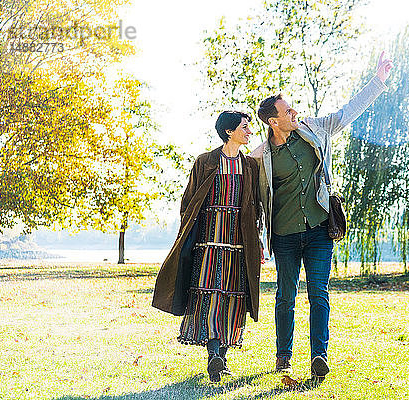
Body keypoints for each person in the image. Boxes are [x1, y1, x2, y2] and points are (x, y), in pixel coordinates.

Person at [250, 52, 393, 380]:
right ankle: (283, 358)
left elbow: (349, 111)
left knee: (319, 293)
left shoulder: (316, 129)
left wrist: (378, 81)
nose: (294, 111)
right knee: (286, 297)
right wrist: (259, 239)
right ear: (274, 121)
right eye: (288, 110)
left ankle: (319, 356)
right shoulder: (262, 157)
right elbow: (257, 203)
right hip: (284, 236)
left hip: (318, 229)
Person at [152, 111, 263, 383]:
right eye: (244, 127)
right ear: (229, 131)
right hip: (208, 243)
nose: (249, 132)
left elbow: (255, 208)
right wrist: (187, 238)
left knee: (233, 296)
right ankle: (214, 351)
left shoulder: (250, 165)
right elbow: (188, 201)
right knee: (210, 296)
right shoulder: (205, 161)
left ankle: (220, 357)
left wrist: (257, 240)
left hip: (238, 244)